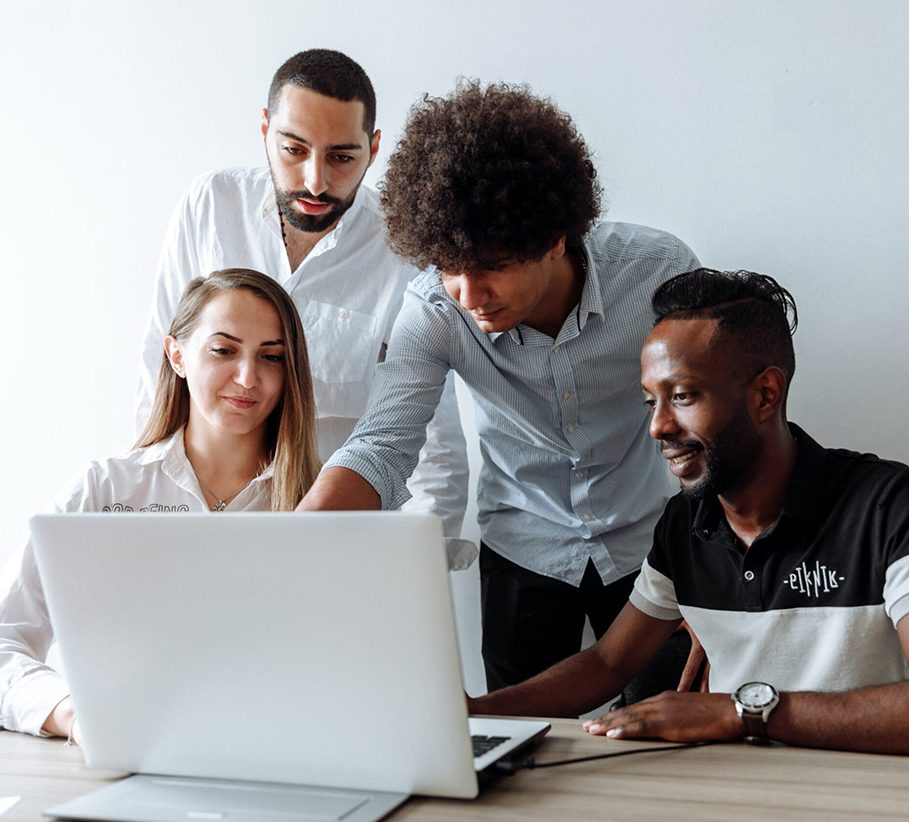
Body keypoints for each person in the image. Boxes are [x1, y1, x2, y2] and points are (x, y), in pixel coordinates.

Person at [469, 268, 909, 758]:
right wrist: (468, 715)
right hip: (731, 794)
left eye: (681, 396)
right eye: (650, 401)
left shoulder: (885, 503)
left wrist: (739, 711)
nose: (658, 427)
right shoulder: (683, 524)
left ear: (766, 394)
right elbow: (607, 664)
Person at [299, 81, 702, 696]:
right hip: (524, 549)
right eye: (449, 268)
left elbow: (716, 426)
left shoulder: (657, 275)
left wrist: (724, 574)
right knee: (522, 750)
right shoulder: (435, 309)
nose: (469, 294)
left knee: (667, 747)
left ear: (554, 237)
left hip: (655, 543)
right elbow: (382, 446)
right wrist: (287, 553)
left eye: (492, 265)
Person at [137, 48, 469, 554]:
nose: (316, 181)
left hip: (339, 547)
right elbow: (158, 378)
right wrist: (145, 519)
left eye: (341, 157)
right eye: (294, 150)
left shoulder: (403, 247)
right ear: (265, 129)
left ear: (373, 148)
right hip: (204, 531)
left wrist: (419, 567)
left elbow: (431, 436)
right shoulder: (210, 206)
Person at [0, 268, 320, 739]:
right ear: (177, 355)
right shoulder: (103, 490)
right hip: (122, 754)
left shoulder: (319, 503)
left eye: (271, 357)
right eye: (224, 350)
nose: (248, 378)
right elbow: (6, 642)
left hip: (274, 748)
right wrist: (73, 714)